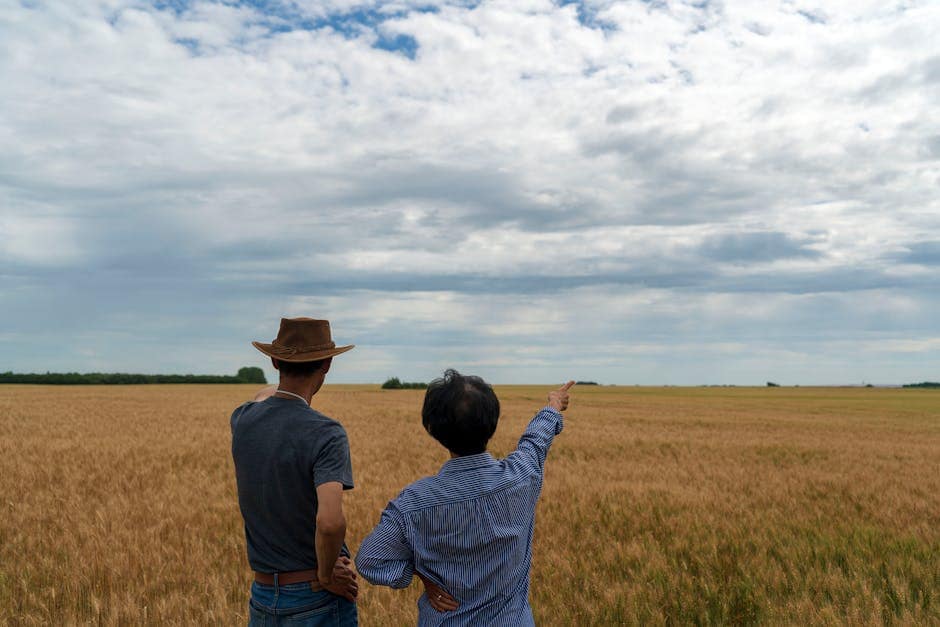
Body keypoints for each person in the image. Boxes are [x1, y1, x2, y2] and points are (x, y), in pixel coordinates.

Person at [355, 369, 575, 625]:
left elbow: (370, 560)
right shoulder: (521, 476)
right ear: (492, 422)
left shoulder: (413, 503)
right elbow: (536, 440)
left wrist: (421, 575)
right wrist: (553, 405)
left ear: (433, 428)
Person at [230, 317, 359, 626]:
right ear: (327, 364)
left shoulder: (242, 419)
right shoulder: (326, 433)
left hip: (262, 596)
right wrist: (326, 575)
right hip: (315, 596)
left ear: (274, 362)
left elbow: (263, 394)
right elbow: (330, 523)